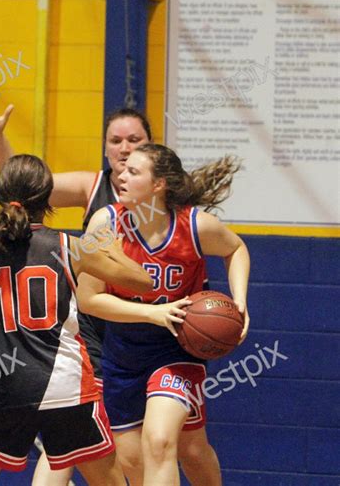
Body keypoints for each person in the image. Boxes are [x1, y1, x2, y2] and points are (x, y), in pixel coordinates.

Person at [0, 100, 241, 485]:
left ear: (149, 149)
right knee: (103, 452)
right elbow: (26, 189)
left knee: (175, 445)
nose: (124, 149)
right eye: (116, 140)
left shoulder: (180, 214)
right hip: (99, 336)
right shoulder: (96, 196)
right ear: (106, 147)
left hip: (167, 338)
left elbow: (233, 247)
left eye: (134, 140)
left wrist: (237, 304)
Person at [0, 154, 163, 486]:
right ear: (48, 197)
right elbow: (143, 282)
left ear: (1, 194)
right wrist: (112, 246)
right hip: (66, 386)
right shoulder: (70, 247)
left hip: (5, 386)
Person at [76, 143, 251, 486]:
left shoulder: (194, 225)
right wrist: (153, 313)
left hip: (177, 351)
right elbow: (89, 300)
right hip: (123, 357)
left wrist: (240, 301)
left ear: (158, 185)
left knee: (159, 442)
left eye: (133, 172)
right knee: (139, 461)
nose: (121, 175)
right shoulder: (105, 223)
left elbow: (236, 249)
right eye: (121, 170)